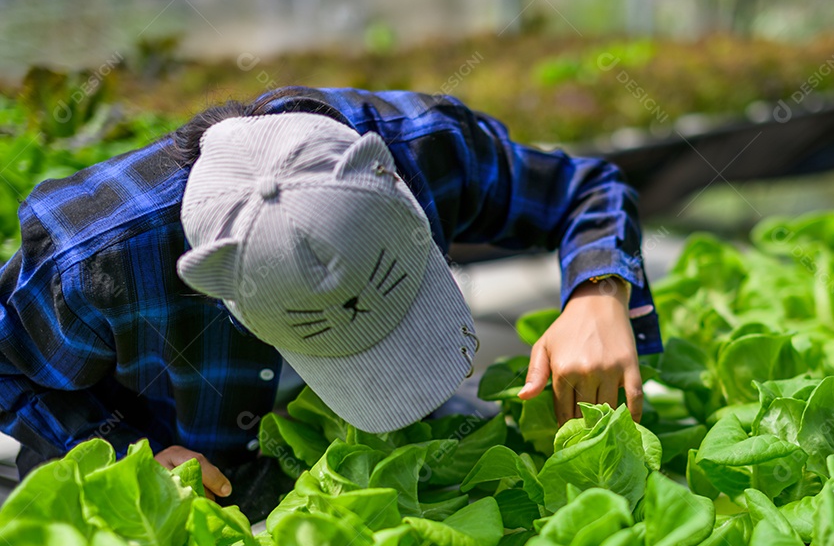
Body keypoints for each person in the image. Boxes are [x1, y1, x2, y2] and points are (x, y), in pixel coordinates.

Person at [0, 86, 661, 500]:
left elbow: (587, 188)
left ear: (391, 180)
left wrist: (598, 293)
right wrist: (121, 453)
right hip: (184, 464)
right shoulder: (89, 262)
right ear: (221, 292)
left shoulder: (427, 145)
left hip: (356, 446)